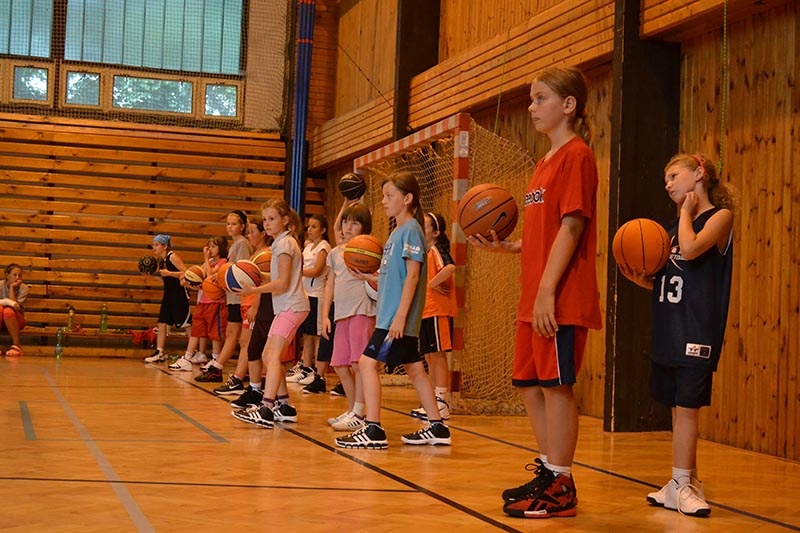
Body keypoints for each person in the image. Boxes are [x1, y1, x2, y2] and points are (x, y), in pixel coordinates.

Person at [469, 66, 601, 519]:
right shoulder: (544, 163)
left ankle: (561, 483)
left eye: (540, 98)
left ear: (569, 105)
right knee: (528, 384)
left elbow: (572, 226)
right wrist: (511, 246)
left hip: (560, 296)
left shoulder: (577, 156)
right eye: (531, 98)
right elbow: (545, 232)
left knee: (557, 387)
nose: (531, 107)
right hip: (536, 296)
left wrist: (547, 291)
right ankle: (550, 470)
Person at [620, 153, 734, 517]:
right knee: (676, 407)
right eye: (665, 179)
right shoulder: (670, 230)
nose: (667, 184)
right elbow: (664, 281)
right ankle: (683, 481)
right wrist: (635, 275)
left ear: (699, 173)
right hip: (669, 328)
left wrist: (686, 213)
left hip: (697, 330)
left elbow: (691, 249)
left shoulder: (719, 217)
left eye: (673, 175)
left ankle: (682, 483)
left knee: (687, 409)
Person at [335, 172, 451, 449]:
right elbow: (395, 277)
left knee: (367, 364)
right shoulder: (397, 233)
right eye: (383, 196)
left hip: (395, 319)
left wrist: (400, 317)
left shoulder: (411, 230)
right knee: (415, 369)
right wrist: (370, 277)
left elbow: (413, 275)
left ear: (407, 198)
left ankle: (373, 428)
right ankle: (437, 426)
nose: (384, 201)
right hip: (393, 316)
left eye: (389, 196)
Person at [232, 199, 310, 428]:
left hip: (292, 306)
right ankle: (285, 406)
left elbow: (283, 283)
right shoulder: (282, 242)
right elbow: (279, 277)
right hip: (288, 306)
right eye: (265, 219)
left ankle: (266, 408)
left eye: (272, 219)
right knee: (268, 356)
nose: (266, 223)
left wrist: (253, 290)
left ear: (285, 220)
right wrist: (256, 276)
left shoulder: (284, 244)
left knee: (272, 356)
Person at [321, 200, 376, 430]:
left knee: (358, 364)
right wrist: (325, 315)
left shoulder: (370, 250)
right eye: (346, 222)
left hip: (362, 310)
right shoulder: (335, 253)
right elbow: (330, 285)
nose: (348, 227)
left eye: (355, 223)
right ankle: (353, 409)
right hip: (341, 314)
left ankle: (360, 412)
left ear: (365, 227)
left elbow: (378, 279)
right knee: (340, 365)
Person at [212, 216, 270, 395]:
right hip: (247, 302)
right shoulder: (256, 253)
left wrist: (255, 307)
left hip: (254, 304)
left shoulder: (265, 255)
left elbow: (262, 284)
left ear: (263, 234)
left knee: (249, 344)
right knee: (247, 343)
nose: (249, 235)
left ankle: (242, 380)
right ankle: (249, 381)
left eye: (252, 232)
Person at [195, 210, 253, 381]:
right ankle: (234, 369)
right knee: (233, 334)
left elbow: (242, 270)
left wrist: (221, 276)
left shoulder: (242, 244)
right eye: (228, 223)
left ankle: (218, 368)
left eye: (234, 224)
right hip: (232, 296)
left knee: (234, 334)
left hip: (239, 297)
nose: (230, 227)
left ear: (242, 226)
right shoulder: (235, 245)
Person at [410, 212, 457, 421]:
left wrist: (432, 283)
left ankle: (441, 400)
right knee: (429, 356)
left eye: (425, 225)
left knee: (438, 355)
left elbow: (450, 266)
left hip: (438, 310)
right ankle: (432, 400)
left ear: (436, 232)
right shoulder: (426, 252)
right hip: (426, 310)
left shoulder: (438, 249)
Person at [169, 236, 228, 371]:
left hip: (215, 302)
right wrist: (188, 281)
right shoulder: (208, 262)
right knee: (196, 331)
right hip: (202, 301)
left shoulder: (223, 262)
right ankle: (187, 358)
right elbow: (200, 278)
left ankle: (215, 359)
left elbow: (210, 275)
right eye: (209, 246)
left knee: (215, 333)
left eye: (213, 246)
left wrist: (206, 258)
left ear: (221, 248)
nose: (210, 249)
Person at [287, 214, 331, 388]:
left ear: (323, 230)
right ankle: (306, 368)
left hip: (317, 295)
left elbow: (316, 271)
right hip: (305, 294)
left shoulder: (324, 247)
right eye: (309, 226)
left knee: (317, 335)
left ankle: (319, 373)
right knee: (307, 335)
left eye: (314, 227)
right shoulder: (308, 246)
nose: (310, 230)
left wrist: (295, 271)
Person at [143, 235, 192, 363]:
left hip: (179, 295)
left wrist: (169, 273)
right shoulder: (160, 260)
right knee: (162, 322)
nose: (154, 247)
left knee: (186, 323)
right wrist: (153, 276)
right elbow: (167, 280)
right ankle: (159, 352)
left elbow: (186, 273)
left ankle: (193, 351)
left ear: (165, 246)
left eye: (156, 244)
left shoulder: (172, 257)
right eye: (153, 245)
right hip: (168, 294)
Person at [1, 264, 29, 357]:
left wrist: (12, 288)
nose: (17, 278)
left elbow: (15, 307)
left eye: (20, 275)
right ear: (7, 275)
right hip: (1, 319)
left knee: (8, 311)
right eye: (14, 275)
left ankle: (17, 345)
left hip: (17, 319)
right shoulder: (0, 285)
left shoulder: (23, 288)